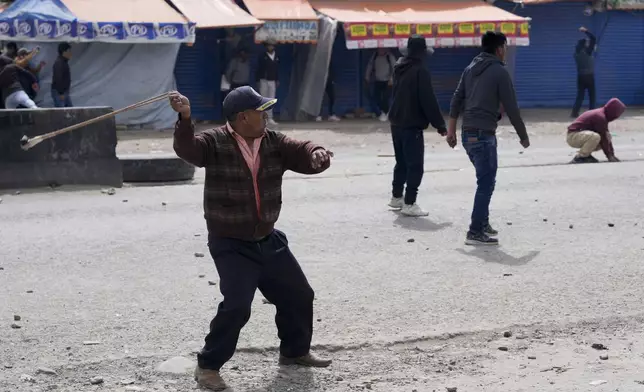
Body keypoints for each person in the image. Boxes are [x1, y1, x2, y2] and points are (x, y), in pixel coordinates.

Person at [171, 86, 333, 391]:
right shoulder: (215, 141)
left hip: (267, 238)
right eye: (261, 111)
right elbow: (187, 149)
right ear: (243, 117)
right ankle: (207, 366)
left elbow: (302, 149)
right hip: (230, 243)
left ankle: (294, 352)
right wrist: (185, 117)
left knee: (299, 294)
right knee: (237, 306)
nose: (266, 116)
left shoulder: (273, 141)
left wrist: (317, 154)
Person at [447, 31, 530, 246]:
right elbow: (512, 107)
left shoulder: (470, 69)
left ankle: (482, 222)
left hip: (468, 134)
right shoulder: (499, 72)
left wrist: (451, 130)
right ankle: (475, 231)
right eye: (505, 48)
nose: (506, 52)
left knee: (485, 181)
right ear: (499, 49)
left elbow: (456, 99)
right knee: (485, 183)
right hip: (483, 135)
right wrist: (523, 136)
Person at [387, 35, 446, 217]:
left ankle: (396, 197)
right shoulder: (420, 71)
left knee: (402, 162)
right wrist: (440, 125)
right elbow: (428, 100)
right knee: (415, 165)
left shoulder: (399, 67)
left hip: (396, 122)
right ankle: (410, 202)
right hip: (411, 124)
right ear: (421, 53)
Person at [567, 98, 624, 164]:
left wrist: (612, 154)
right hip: (573, 136)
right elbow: (603, 137)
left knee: (606, 137)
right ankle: (580, 157)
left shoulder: (603, 115)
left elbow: (605, 136)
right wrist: (609, 156)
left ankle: (587, 155)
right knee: (595, 137)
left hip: (580, 135)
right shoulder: (600, 117)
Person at [572, 26, 597, 118]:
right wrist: (586, 31)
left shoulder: (576, 54)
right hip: (589, 76)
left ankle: (574, 113)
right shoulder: (587, 52)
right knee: (592, 96)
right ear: (584, 45)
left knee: (580, 96)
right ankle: (592, 113)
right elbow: (593, 39)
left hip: (580, 76)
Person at [365, 48, 396, 122]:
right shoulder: (375, 55)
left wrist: (392, 78)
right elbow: (370, 65)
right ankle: (383, 112)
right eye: (379, 49)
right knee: (376, 98)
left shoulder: (390, 56)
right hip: (378, 80)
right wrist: (367, 76)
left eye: (382, 49)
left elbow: (395, 68)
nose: (380, 50)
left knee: (385, 98)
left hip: (388, 81)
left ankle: (386, 112)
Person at [256, 39, 279, 126]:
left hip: (272, 80)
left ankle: (270, 118)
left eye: (272, 45)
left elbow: (276, 69)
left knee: (271, 99)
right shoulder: (262, 56)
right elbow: (258, 69)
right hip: (264, 80)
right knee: (263, 99)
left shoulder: (276, 55)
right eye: (269, 45)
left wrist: (277, 79)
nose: (270, 47)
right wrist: (257, 80)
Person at [52, 42, 72, 108]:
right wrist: (61, 93)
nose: (70, 53)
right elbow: (58, 78)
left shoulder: (63, 62)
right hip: (60, 92)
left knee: (70, 110)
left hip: (63, 92)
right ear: (64, 52)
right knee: (61, 113)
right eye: (69, 51)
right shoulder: (59, 63)